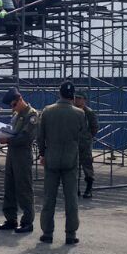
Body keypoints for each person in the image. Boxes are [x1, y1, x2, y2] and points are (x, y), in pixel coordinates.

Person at [36, 81, 86, 244]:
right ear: (73, 96)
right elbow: (83, 135)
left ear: (60, 93)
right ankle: (70, 234)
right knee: (71, 198)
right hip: (71, 159)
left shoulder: (47, 111)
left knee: (49, 197)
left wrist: (42, 153)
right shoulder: (79, 113)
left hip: (51, 159)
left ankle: (47, 233)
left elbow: (40, 136)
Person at [0, 88, 38, 233]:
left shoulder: (31, 115)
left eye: (14, 105)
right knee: (9, 186)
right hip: (12, 154)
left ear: (20, 99)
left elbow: (26, 137)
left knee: (24, 188)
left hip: (22, 154)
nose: (13, 108)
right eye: (11, 106)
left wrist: (7, 140)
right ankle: (10, 219)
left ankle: (27, 221)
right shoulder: (16, 115)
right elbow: (12, 131)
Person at [74, 92, 99, 198]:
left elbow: (94, 127)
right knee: (74, 168)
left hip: (85, 144)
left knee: (87, 167)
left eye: (79, 98)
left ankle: (89, 189)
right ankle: (75, 189)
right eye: (76, 98)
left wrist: (88, 137)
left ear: (84, 100)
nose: (77, 100)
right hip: (74, 143)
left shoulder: (89, 112)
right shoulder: (72, 111)